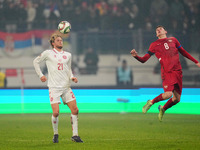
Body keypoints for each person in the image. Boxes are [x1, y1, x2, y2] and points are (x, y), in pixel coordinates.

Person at [130, 25, 200, 121]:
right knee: (168, 94)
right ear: (156, 34)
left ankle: (163, 108)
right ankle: (151, 102)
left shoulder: (173, 40)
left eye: (161, 28)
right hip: (168, 72)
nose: (158, 30)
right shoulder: (154, 45)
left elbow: (183, 52)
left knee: (177, 99)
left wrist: (196, 62)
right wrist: (136, 56)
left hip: (178, 72)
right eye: (157, 30)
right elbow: (144, 60)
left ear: (165, 31)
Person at [33, 34, 83, 143]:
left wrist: (71, 77)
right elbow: (35, 61)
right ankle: (55, 134)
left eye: (61, 40)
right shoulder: (48, 53)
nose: (60, 41)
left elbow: (68, 69)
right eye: (58, 40)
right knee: (56, 113)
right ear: (53, 43)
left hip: (66, 87)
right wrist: (40, 75)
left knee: (75, 110)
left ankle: (75, 135)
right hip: (54, 87)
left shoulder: (68, 55)